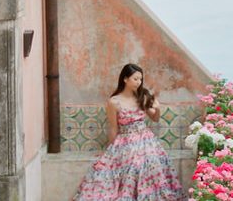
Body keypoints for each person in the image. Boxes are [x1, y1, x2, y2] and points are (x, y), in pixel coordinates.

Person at [72, 63, 187, 201]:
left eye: (140, 79)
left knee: (152, 161)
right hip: (126, 140)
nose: (139, 82)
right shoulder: (114, 102)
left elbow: (155, 118)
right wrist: (109, 150)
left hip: (146, 140)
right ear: (125, 79)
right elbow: (114, 127)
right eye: (135, 79)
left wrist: (157, 108)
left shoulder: (142, 97)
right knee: (133, 163)